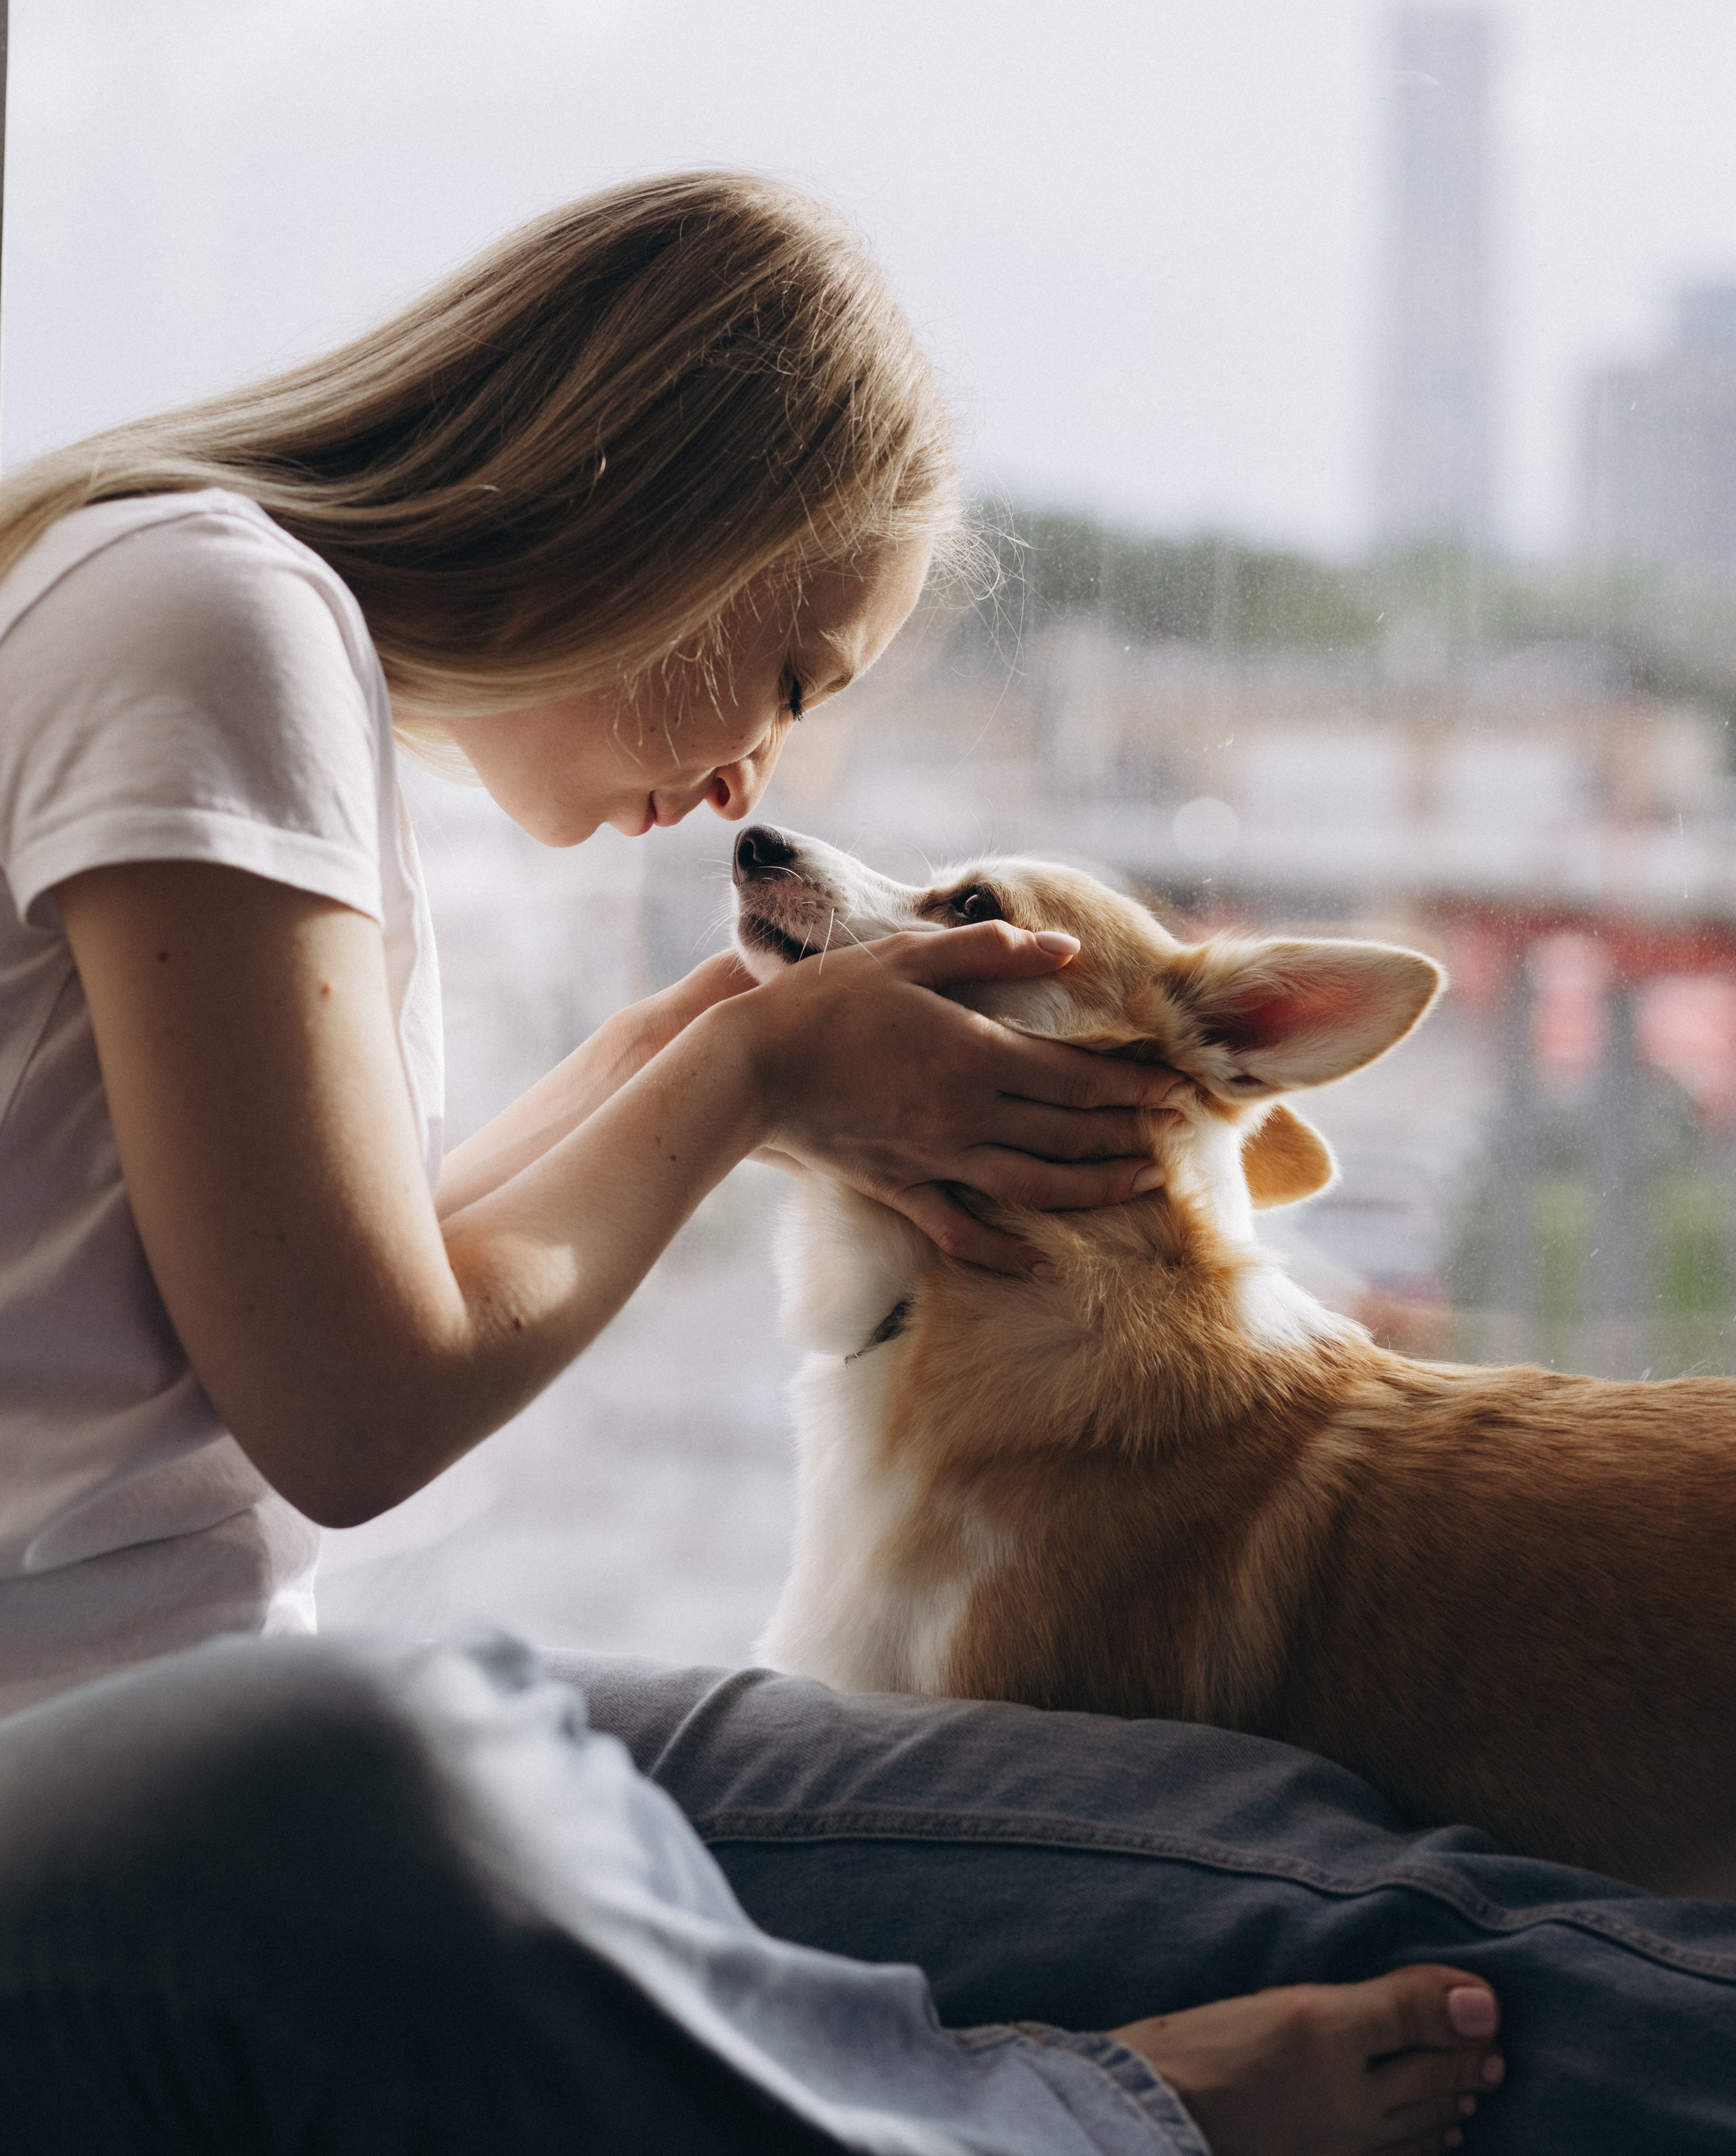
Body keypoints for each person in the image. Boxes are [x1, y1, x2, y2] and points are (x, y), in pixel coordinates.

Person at [0, 168, 1717, 2153]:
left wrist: (734, 1044)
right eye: (799, 670)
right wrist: (747, 1078)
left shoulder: (222, 633)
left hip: (171, 1732)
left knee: (1274, 1847)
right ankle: (1088, 2114)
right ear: (660, 511)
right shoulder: (223, 620)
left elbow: (344, 1287)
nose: (755, 778)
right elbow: (351, 1406)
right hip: (115, 1783)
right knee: (406, 1745)